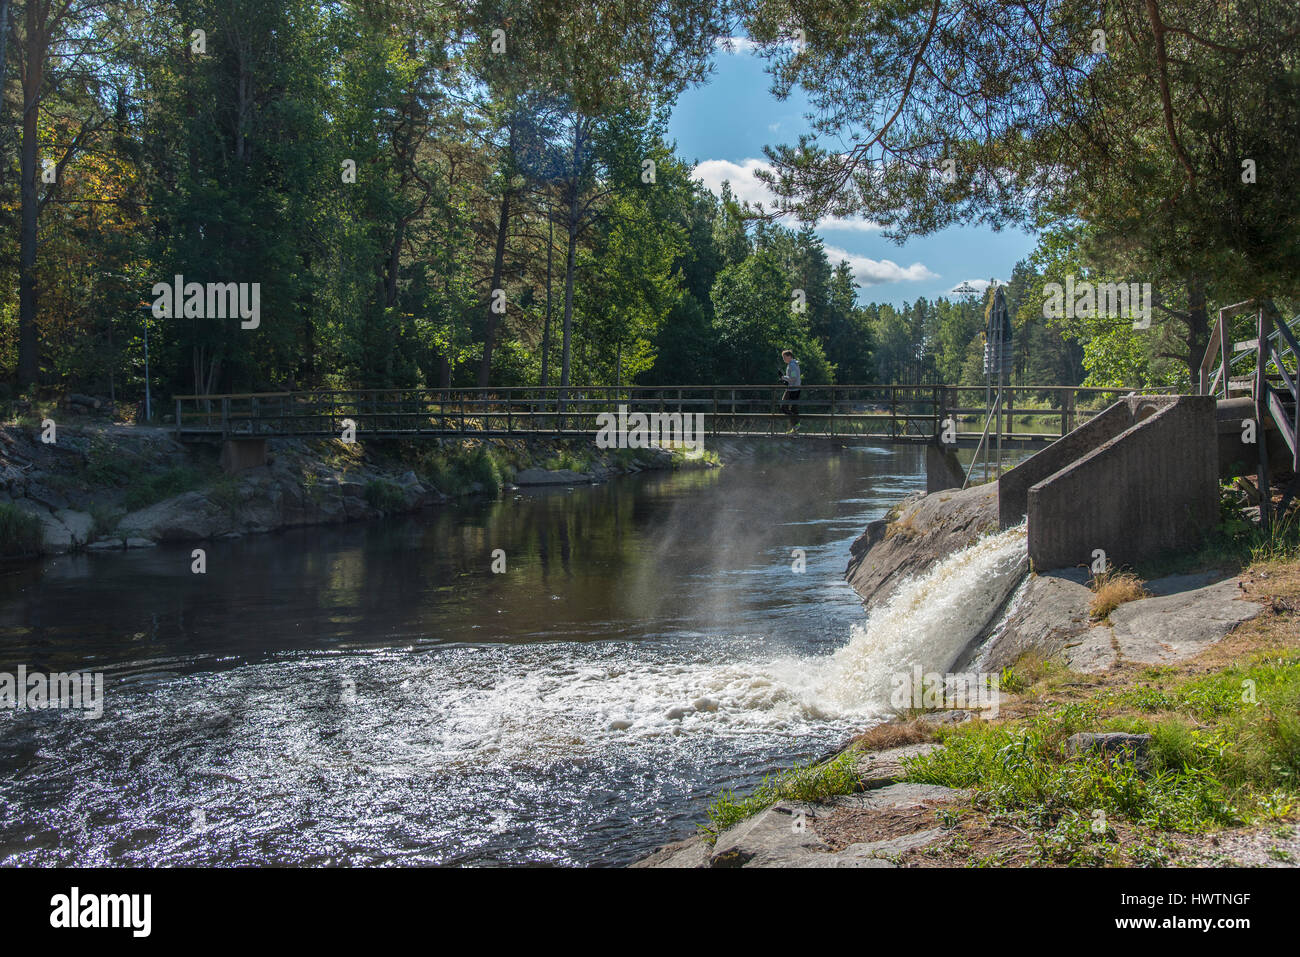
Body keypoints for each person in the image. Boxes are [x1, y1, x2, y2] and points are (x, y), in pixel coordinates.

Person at [779, 349, 801, 433]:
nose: (783, 359)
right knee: (792, 409)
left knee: (784, 407)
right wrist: (785, 380)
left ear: (789, 356)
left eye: (784, 357)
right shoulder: (793, 364)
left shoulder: (792, 365)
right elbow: (792, 378)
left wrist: (783, 377)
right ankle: (795, 426)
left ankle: (796, 424)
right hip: (793, 388)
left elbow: (793, 378)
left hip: (793, 389)